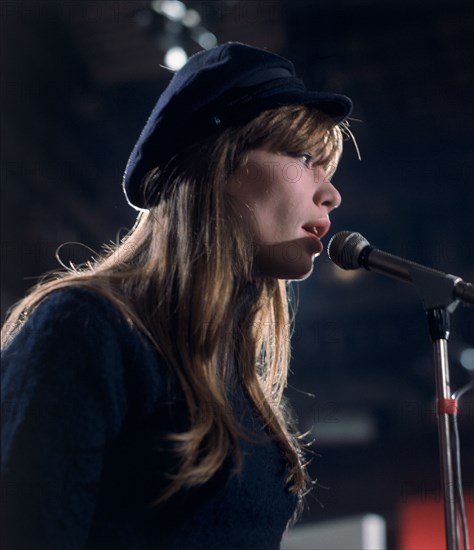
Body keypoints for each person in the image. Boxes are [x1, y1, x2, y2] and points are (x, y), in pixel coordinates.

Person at [1, 42, 353, 549]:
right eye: (302, 157)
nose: (331, 193)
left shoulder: (238, 377)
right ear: (220, 164)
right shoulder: (88, 328)